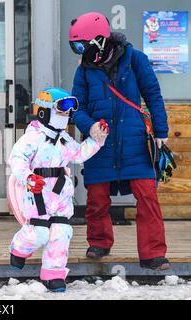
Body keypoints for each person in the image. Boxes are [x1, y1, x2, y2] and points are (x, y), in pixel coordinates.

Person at [69, 12, 170, 270]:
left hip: (134, 141)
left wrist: (161, 132)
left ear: (100, 40)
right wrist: (89, 126)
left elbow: (153, 95)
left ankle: (153, 254)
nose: (80, 52)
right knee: (97, 198)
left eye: (82, 46)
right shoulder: (84, 71)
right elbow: (76, 108)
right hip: (100, 144)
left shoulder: (136, 60)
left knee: (147, 196)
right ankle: (99, 242)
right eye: (76, 47)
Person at [8, 88, 108, 292]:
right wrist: (28, 177)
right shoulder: (32, 137)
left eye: (69, 109)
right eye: (61, 108)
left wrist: (97, 139)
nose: (66, 114)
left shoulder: (64, 139)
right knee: (39, 232)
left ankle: (53, 274)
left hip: (60, 192)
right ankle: (19, 248)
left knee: (61, 231)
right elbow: (17, 160)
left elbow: (79, 154)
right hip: (37, 190)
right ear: (44, 111)